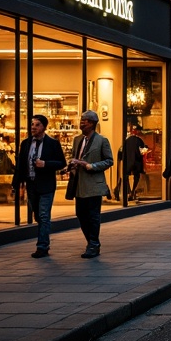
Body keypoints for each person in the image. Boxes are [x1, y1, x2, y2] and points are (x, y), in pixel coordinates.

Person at [12, 114, 66, 258]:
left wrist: (45, 164)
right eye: (32, 124)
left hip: (46, 185)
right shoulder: (26, 143)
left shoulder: (52, 144)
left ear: (44, 127)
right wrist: (16, 184)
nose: (33, 127)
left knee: (43, 215)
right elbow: (20, 165)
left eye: (37, 125)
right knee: (37, 214)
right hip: (32, 185)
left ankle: (42, 246)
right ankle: (43, 234)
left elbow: (62, 163)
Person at [69, 109, 113, 259]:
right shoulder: (76, 140)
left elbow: (109, 161)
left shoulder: (102, 140)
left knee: (93, 216)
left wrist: (90, 166)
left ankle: (93, 244)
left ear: (93, 123)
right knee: (81, 215)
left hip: (94, 185)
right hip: (79, 184)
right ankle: (92, 242)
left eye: (85, 121)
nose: (82, 123)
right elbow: (74, 156)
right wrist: (72, 164)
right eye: (81, 120)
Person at [116, 124, 147, 202]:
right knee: (136, 176)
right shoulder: (139, 140)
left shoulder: (126, 140)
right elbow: (143, 150)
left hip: (127, 161)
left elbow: (121, 151)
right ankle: (132, 191)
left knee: (125, 176)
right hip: (137, 161)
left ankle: (129, 191)